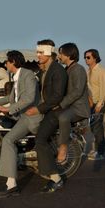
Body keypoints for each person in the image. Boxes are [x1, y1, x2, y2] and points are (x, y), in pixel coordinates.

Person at [0, 50, 43, 198]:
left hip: (30, 116)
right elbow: (11, 97)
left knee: (8, 140)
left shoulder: (28, 75)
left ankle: (11, 185)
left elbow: (29, 98)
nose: (5, 64)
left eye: (7, 61)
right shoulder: (17, 76)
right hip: (22, 115)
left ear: (13, 62)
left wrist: (8, 109)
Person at [25, 39, 68, 193]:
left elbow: (57, 96)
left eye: (41, 52)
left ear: (50, 52)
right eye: (37, 52)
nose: (38, 55)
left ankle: (56, 179)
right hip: (48, 109)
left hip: (56, 112)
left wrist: (39, 109)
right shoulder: (46, 69)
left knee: (40, 140)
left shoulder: (58, 70)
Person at [54, 43, 90, 164]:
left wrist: (60, 104)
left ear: (68, 55)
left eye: (61, 53)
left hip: (78, 107)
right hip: (69, 106)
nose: (59, 56)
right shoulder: (67, 69)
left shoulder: (78, 69)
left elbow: (77, 92)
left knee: (63, 118)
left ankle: (63, 147)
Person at [84, 49, 105, 160]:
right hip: (90, 103)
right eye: (85, 57)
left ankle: (101, 153)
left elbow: (104, 88)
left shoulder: (102, 71)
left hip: (99, 103)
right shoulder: (87, 71)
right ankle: (97, 150)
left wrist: (100, 104)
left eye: (88, 57)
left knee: (98, 128)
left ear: (95, 58)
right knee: (94, 128)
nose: (86, 59)